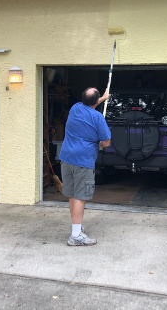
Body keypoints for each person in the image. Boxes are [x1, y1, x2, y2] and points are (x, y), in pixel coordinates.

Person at [59, 87, 111, 246]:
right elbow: (106, 142)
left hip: (66, 158)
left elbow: (91, 103)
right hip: (83, 161)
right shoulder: (98, 118)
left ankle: (77, 228)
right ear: (95, 102)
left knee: (73, 195)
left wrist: (103, 97)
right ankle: (75, 236)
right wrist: (99, 144)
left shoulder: (75, 108)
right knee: (80, 197)